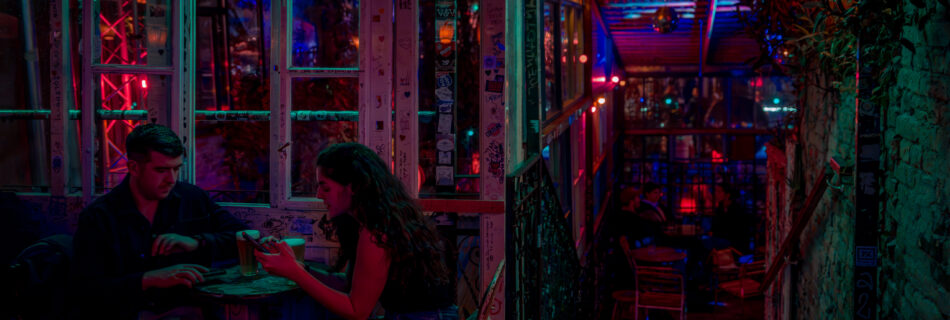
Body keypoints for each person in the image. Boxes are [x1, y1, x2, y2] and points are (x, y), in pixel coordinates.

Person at [256, 143, 456, 320]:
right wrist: (298, 267)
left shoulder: (376, 231)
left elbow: (357, 311)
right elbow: (350, 287)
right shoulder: (377, 219)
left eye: (325, 188)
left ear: (352, 187)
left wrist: (295, 273)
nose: (318, 195)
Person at [73, 124, 248, 319]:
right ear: (133, 167)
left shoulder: (192, 198)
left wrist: (197, 242)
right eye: (161, 170)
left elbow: (244, 238)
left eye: (176, 169)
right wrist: (148, 279)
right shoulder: (99, 217)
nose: (171, 179)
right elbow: (88, 289)